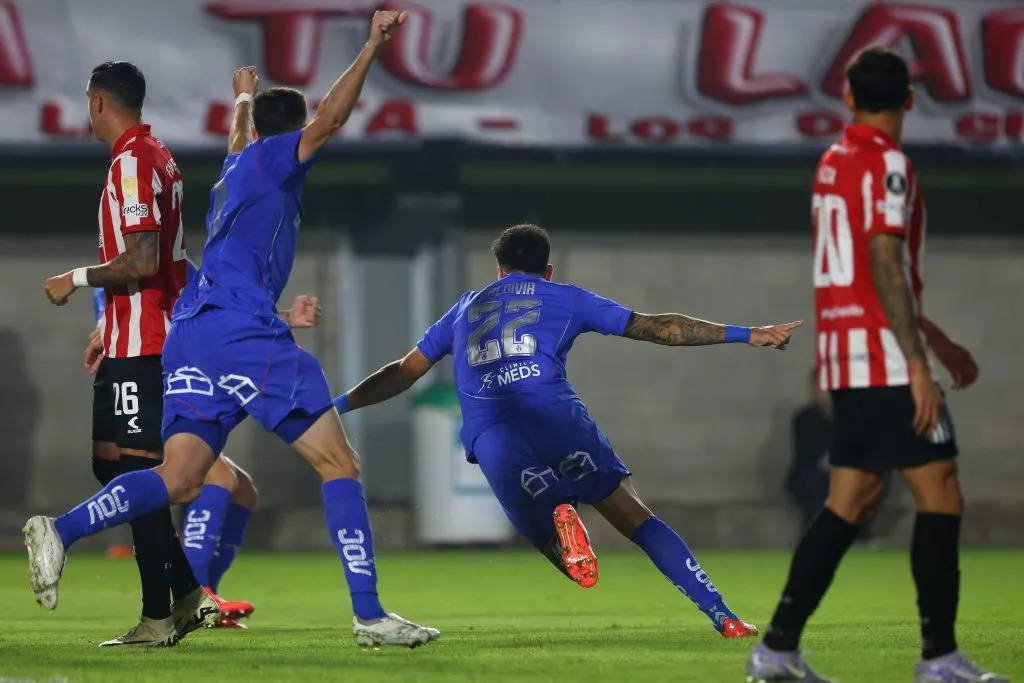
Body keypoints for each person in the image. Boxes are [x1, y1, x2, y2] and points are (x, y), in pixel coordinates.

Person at [25, 12, 439, 649]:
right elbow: (330, 117)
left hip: (192, 334)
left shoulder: (235, 173)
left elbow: (237, 140)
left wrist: (243, 95)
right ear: (292, 135)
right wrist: (373, 46)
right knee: (338, 463)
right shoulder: (278, 160)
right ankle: (371, 614)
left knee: (179, 478)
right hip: (243, 337)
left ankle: (62, 530)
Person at [332, 223, 802, 638]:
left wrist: (337, 405)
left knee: (560, 553)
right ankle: (723, 615)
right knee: (637, 519)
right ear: (548, 270)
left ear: (499, 271)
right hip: (555, 415)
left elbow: (402, 371)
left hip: (493, 434)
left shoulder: (464, 310)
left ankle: (558, 512)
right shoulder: (567, 297)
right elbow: (659, 328)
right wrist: (748, 333)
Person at [744, 48, 1001, 683]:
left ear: (849, 99)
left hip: (844, 361)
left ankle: (776, 650)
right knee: (940, 492)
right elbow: (885, 263)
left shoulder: (832, 163)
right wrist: (920, 365)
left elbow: (864, 274)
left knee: (851, 501)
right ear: (911, 99)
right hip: (886, 361)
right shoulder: (889, 166)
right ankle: (939, 659)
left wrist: (934, 339)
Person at [39, 61, 215, 647]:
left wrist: (78, 277)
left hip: (147, 345)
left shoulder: (136, 163)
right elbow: (168, 261)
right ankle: (188, 590)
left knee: (139, 474)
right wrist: (107, 323)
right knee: (112, 468)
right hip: (129, 335)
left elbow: (141, 262)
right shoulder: (155, 154)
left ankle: (157, 618)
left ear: (98, 103)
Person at [87, 262, 323, 629]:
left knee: (243, 491)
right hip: (157, 387)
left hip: (179, 384)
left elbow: (221, 315)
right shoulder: (121, 273)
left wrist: (286, 317)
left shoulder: (181, 266)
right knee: (219, 481)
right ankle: (199, 596)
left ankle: (204, 599)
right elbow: (126, 325)